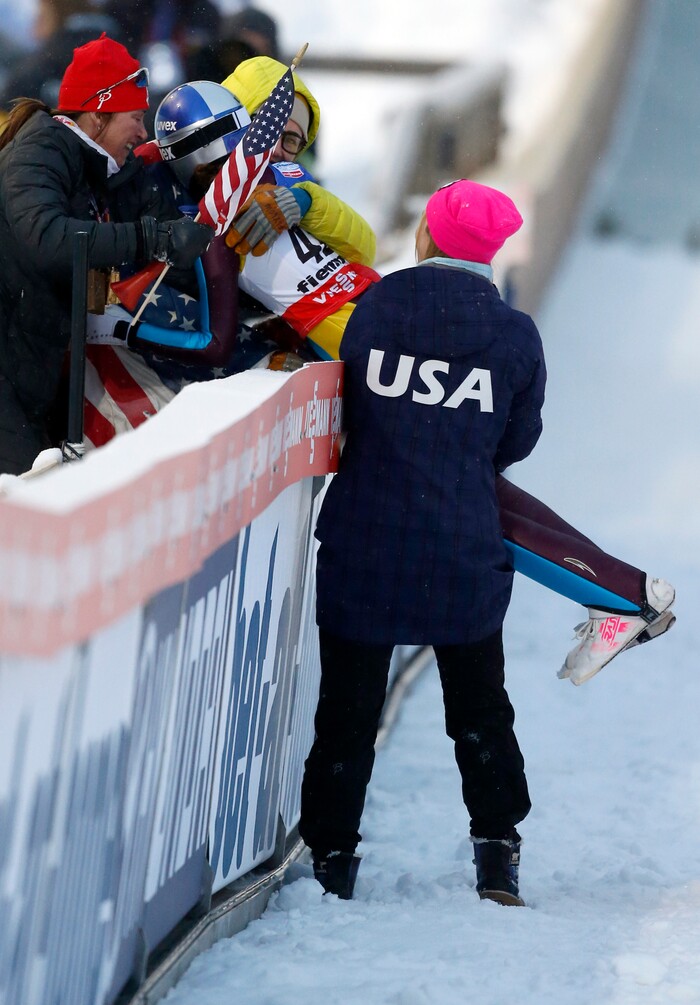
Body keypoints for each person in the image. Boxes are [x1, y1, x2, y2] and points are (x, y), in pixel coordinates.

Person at [145, 72, 676, 684]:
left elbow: (346, 249)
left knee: (457, 492)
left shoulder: (236, 203)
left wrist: (123, 326)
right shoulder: (257, 181)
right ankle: (625, 592)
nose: (285, 146)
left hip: (369, 341)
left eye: (294, 136)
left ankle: (622, 595)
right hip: (375, 319)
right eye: (279, 130)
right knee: (469, 491)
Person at [299, 180, 544, 906]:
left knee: (346, 712)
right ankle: (497, 850)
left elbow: (348, 400)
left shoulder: (378, 307)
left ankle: (332, 858)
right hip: (460, 546)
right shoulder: (513, 335)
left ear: (427, 238)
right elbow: (517, 439)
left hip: (366, 540)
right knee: (479, 709)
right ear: (490, 252)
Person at [0, 32, 213, 475]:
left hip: (30, 374)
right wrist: (150, 237)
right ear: (97, 115)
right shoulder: (41, 149)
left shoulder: (104, 170)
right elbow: (48, 239)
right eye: (134, 117)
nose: (142, 130)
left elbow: (171, 256)